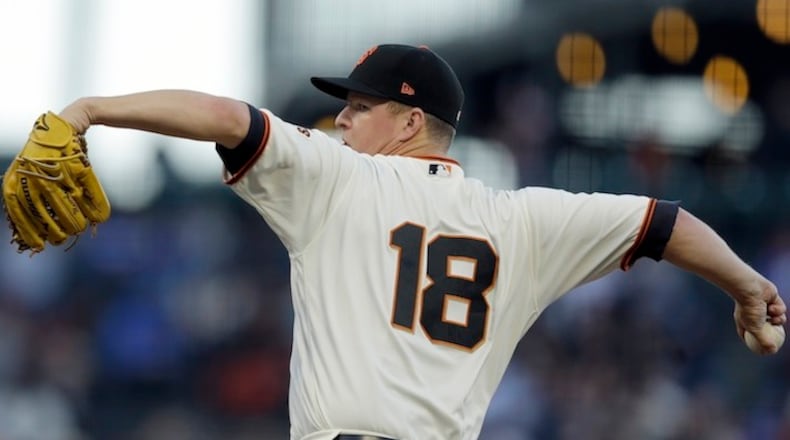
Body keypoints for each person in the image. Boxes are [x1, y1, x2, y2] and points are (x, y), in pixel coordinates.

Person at [55, 44, 785, 440]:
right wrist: (747, 286)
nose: (342, 123)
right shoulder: (523, 219)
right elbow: (664, 222)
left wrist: (91, 110)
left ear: (409, 123)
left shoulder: (338, 179)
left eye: (359, 108)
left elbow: (225, 116)